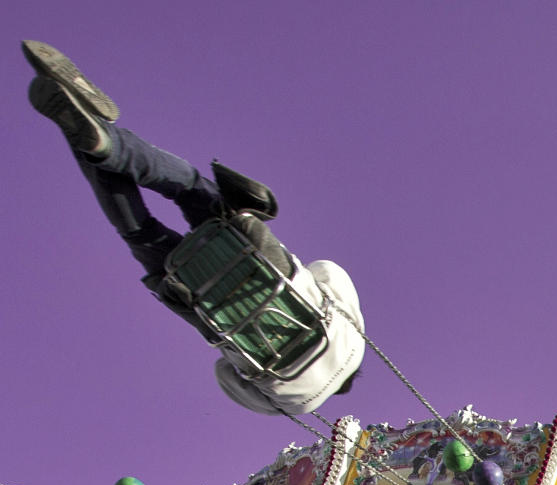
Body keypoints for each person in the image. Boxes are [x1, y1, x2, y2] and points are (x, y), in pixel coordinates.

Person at [22, 40, 364, 416]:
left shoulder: (355, 344)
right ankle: (94, 140)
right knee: (140, 232)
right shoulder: (295, 406)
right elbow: (225, 373)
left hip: (263, 266)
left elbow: (328, 270)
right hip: (208, 305)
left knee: (189, 187)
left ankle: (109, 143)